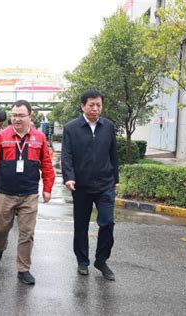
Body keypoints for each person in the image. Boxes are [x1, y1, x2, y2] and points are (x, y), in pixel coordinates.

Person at [0, 100, 55, 285]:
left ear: (30, 117)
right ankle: (0, 246)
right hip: (5, 193)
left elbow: (46, 164)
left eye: (21, 115)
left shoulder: (39, 138)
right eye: (14, 115)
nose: (16, 118)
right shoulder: (2, 136)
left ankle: (23, 269)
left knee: (27, 233)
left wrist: (47, 188)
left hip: (29, 194)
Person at [61, 89, 119, 281]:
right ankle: (82, 261)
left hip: (105, 185)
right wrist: (69, 177)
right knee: (81, 226)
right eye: (91, 105)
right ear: (82, 106)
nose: (95, 109)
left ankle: (101, 260)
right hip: (81, 186)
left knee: (107, 222)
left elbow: (113, 154)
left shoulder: (108, 126)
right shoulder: (71, 128)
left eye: (98, 105)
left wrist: (115, 180)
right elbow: (66, 155)